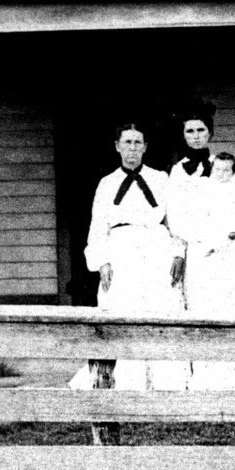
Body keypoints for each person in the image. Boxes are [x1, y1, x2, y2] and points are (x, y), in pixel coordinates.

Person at [79, 122, 188, 390]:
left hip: (156, 248)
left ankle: (166, 381)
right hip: (121, 251)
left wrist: (178, 253)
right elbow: (98, 226)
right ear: (117, 147)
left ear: (145, 147)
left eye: (138, 142)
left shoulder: (160, 179)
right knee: (123, 308)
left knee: (161, 308)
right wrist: (102, 261)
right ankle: (128, 382)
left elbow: (175, 219)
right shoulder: (107, 183)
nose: (132, 148)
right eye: (127, 142)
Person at [169, 111, 235, 390]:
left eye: (201, 130)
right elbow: (175, 215)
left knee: (232, 305)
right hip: (199, 247)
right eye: (190, 131)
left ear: (209, 133)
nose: (196, 136)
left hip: (229, 248)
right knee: (203, 305)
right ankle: (206, 377)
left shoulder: (223, 165)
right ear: (183, 136)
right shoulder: (178, 171)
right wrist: (182, 250)